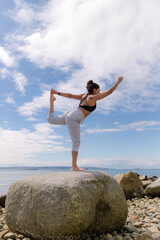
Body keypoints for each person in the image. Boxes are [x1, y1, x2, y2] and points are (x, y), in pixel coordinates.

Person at [47, 76, 124, 171]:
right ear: (95, 90)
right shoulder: (92, 97)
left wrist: (57, 93)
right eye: (99, 90)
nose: (99, 92)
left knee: (51, 120)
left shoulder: (84, 96)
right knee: (76, 142)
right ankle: (74, 167)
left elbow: (71, 96)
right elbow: (109, 92)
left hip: (70, 114)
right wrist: (118, 82)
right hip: (75, 117)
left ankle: (52, 101)